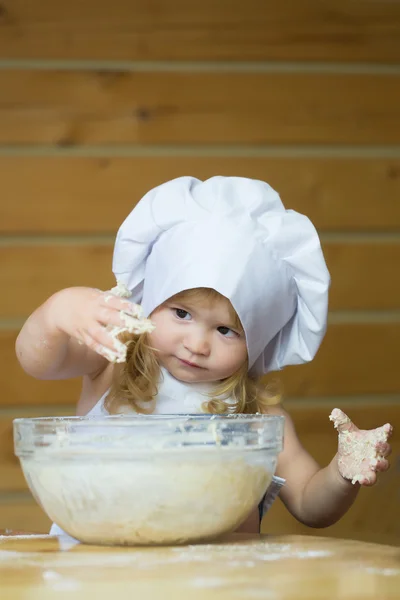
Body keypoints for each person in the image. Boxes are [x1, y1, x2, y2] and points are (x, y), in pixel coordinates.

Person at [16, 176, 392, 536]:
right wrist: (56, 312)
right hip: (99, 573)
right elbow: (37, 360)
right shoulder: (112, 365)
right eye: (181, 313)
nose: (197, 344)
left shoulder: (258, 417)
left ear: (256, 342)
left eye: (226, 330)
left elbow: (311, 504)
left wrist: (343, 474)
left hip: (219, 580)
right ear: (151, 303)